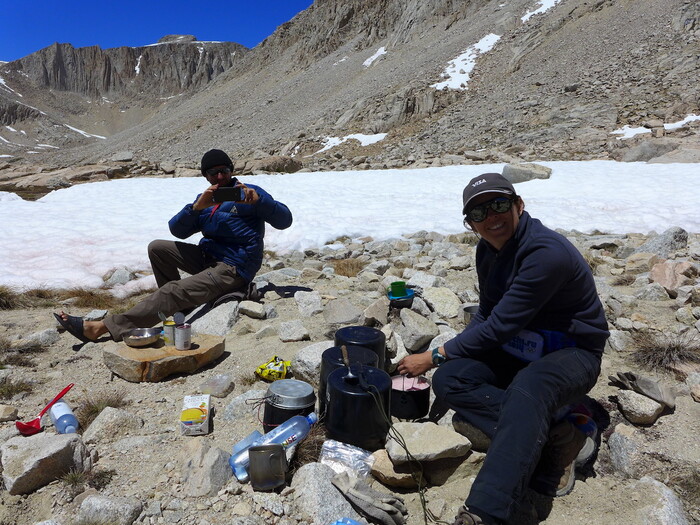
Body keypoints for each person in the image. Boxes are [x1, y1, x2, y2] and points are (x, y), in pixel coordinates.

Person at [397, 173, 609, 525]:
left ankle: (485, 512)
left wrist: (433, 355)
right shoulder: (488, 250)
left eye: (498, 205)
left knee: (529, 389)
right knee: (451, 380)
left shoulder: (545, 253)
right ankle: (559, 437)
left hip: (573, 353)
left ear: (518, 205)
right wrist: (449, 359)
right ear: (471, 224)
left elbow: (500, 325)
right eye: (479, 214)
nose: (491, 218)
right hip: (518, 349)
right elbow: (486, 313)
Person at [55, 149, 293, 343]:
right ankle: (180, 305)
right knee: (157, 247)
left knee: (172, 290)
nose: (220, 177)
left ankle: (102, 327)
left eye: (224, 171)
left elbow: (285, 220)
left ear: (231, 170)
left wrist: (261, 203)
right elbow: (177, 230)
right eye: (213, 173)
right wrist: (196, 208)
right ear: (206, 176)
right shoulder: (207, 200)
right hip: (207, 258)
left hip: (234, 267)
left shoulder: (250, 194)